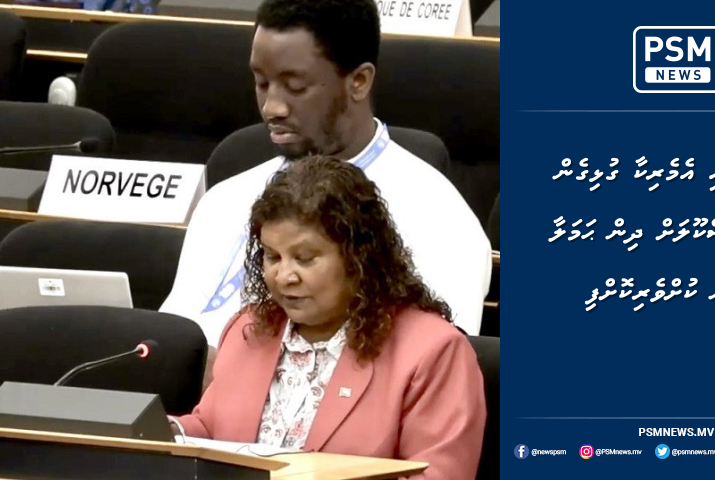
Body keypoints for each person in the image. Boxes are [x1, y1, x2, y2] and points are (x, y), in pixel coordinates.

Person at [158, 0, 492, 360]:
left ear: (359, 82)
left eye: (295, 87)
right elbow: (172, 335)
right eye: (262, 82)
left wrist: (231, 378)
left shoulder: (438, 217)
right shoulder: (224, 199)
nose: (271, 107)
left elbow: (434, 366)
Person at [174, 157, 486, 480]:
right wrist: (169, 433)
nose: (284, 276)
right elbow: (210, 431)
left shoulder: (433, 352)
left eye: (304, 259)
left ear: (358, 258)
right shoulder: (249, 329)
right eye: (272, 257)